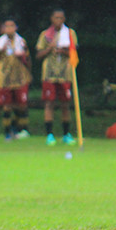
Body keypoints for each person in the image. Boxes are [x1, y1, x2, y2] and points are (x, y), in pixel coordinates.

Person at [35, 9, 78, 145]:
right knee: (49, 103)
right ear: (51, 19)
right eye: (56, 17)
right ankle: (49, 134)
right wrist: (50, 48)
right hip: (49, 73)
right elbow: (38, 55)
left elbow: (74, 52)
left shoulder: (70, 33)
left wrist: (63, 51)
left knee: (65, 104)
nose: (58, 20)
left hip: (65, 73)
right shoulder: (45, 34)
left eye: (61, 18)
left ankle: (66, 134)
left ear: (64, 19)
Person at [0, 17, 32, 139]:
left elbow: (28, 59)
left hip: (20, 77)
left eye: (12, 26)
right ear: (3, 29)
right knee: (7, 105)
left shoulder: (21, 42)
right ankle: (7, 131)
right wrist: (0, 52)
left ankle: (21, 129)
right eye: (7, 26)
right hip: (5, 78)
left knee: (21, 104)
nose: (9, 29)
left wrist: (24, 58)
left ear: (16, 28)